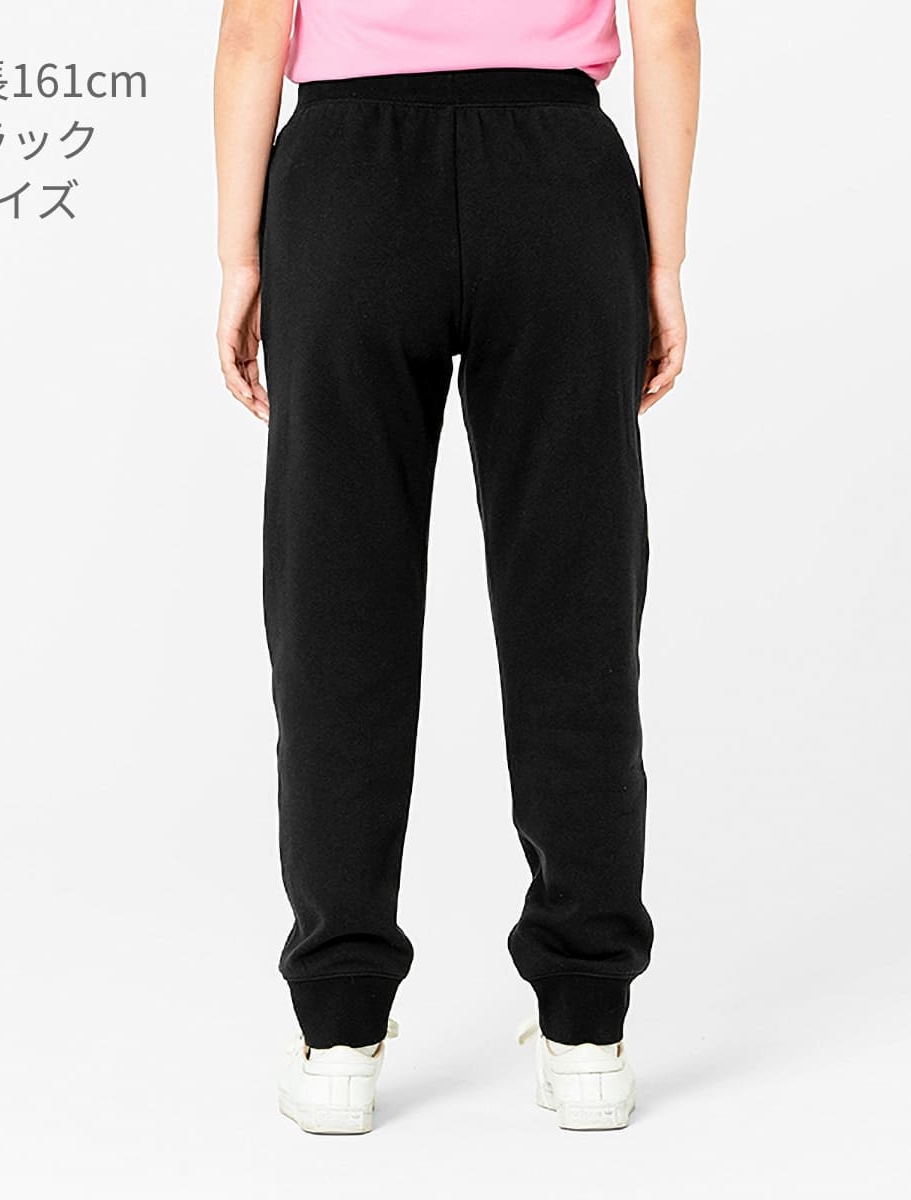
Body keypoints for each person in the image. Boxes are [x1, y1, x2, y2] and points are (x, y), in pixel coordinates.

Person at [213, 0, 700, 1133]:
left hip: (345, 185)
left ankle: (339, 1034)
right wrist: (664, 259)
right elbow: (668, 37)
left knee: (336, 609)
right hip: (560, 183)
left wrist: (240, 255)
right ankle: (587, 1031)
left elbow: (250, 41)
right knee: (576, 606)